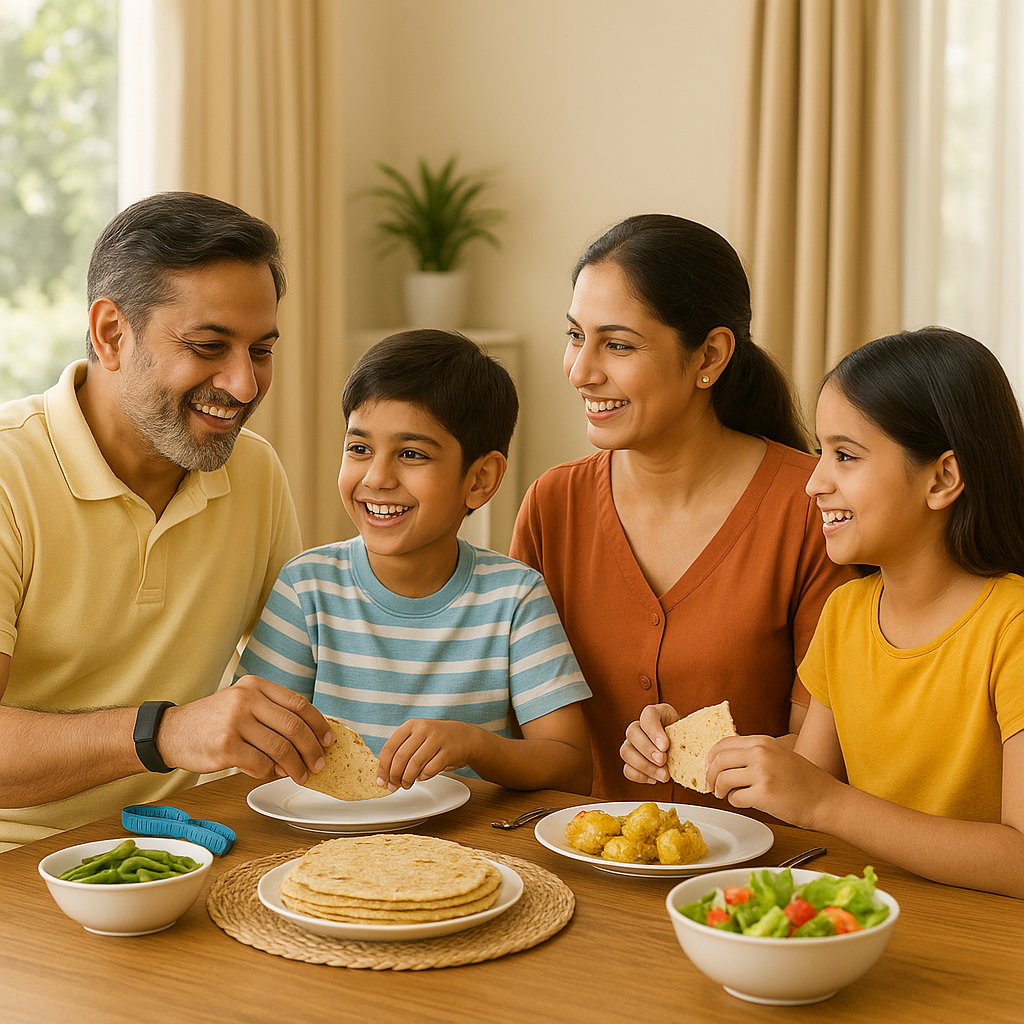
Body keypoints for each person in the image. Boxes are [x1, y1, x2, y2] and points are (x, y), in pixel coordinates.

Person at [626, 328, 1024, 899]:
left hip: (979, 944)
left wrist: (824, 803)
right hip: (857, 909)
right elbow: (810, 769)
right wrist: (697, 751)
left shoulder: (1012, 627)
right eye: (820, 453)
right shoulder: (847, 613)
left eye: (845, 456)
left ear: (942, 478)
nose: (815, 482)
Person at [0, 192, 334, 851]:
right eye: (209, 346)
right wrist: (166, 731)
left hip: (195, 848)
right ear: (110, 334)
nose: (243, 385)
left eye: (260, 350)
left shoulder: (255, 473)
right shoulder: (9, 475)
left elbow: (297, 679)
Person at [510, 214, 854, 802]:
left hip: (758, 875)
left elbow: (826, 759)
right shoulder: (553, 504)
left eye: (617, 344)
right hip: (585, 861)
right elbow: (518, 725)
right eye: (575, 336)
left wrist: (706, 753)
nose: (580, 371)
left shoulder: (813, 508)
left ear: (710, 357)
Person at [237, 330, 593, 793]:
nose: (377, 477)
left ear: (481, 479)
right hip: (330, 847)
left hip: (476, 851)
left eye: (411, 454)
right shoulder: (307, 588)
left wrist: (475, 745)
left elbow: (571, 766)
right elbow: (254, 743)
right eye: (359, 448)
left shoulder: (514, 596)